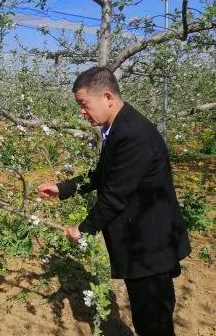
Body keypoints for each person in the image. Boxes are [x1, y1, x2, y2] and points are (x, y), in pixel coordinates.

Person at [37, 67, 191, 336]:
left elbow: (114, 196)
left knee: (154, 323)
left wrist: (82, 229)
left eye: (84, 105)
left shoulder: (134, 134)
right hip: (141, 243)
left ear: (107, 96)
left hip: (149, 249)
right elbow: (103, 175)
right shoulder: (118, 127)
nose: (82, 113)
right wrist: (63, 189)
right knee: (148, 318)